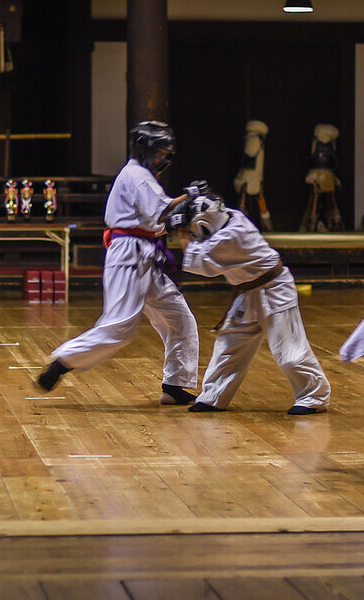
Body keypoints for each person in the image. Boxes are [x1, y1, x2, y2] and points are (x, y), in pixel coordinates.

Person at [36, 121, 199, 405]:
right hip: (129, 254)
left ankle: (175, 385)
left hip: (145, 253)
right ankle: (63, 361)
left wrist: (186, 207)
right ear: (144, 149)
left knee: (180, 319)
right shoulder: (137, 175)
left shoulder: (141, 176)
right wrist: (193, 198)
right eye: (159, 152)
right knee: (120, 327)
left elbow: (160, 221)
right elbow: (164, 212)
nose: (163, 159)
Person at [178, 193, 330, 415]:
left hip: (275, 290)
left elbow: (196, 259)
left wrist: (181, 228)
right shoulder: (233, 216)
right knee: (229, 347)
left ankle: (314, 396)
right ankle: (213, 397)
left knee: (287, 351)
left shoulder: (230, 237)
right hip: (248, 292)